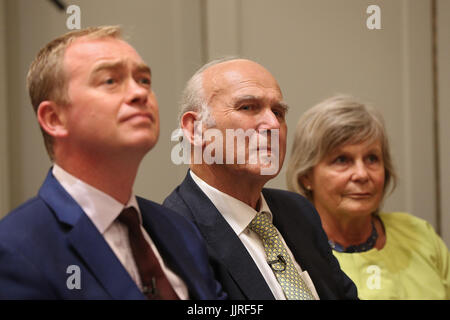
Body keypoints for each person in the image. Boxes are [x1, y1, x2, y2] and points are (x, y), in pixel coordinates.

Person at [0, 26, 225, 300]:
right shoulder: (16, 249)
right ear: (54, 119)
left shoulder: (180, 230)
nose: (139, 93)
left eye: (143, 80)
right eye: (110, 81)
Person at [163, 57, 358, 300]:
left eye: (278, 112)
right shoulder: (170, 235)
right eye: (248, 107)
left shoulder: (299, 212)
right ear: (195, 129)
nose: (273, 124)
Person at [286, 94, 450, 299]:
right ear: (306, 177)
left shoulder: (419, 234)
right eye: (342, 160)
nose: (362, 174)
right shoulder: (290, 253)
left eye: (372, 158)